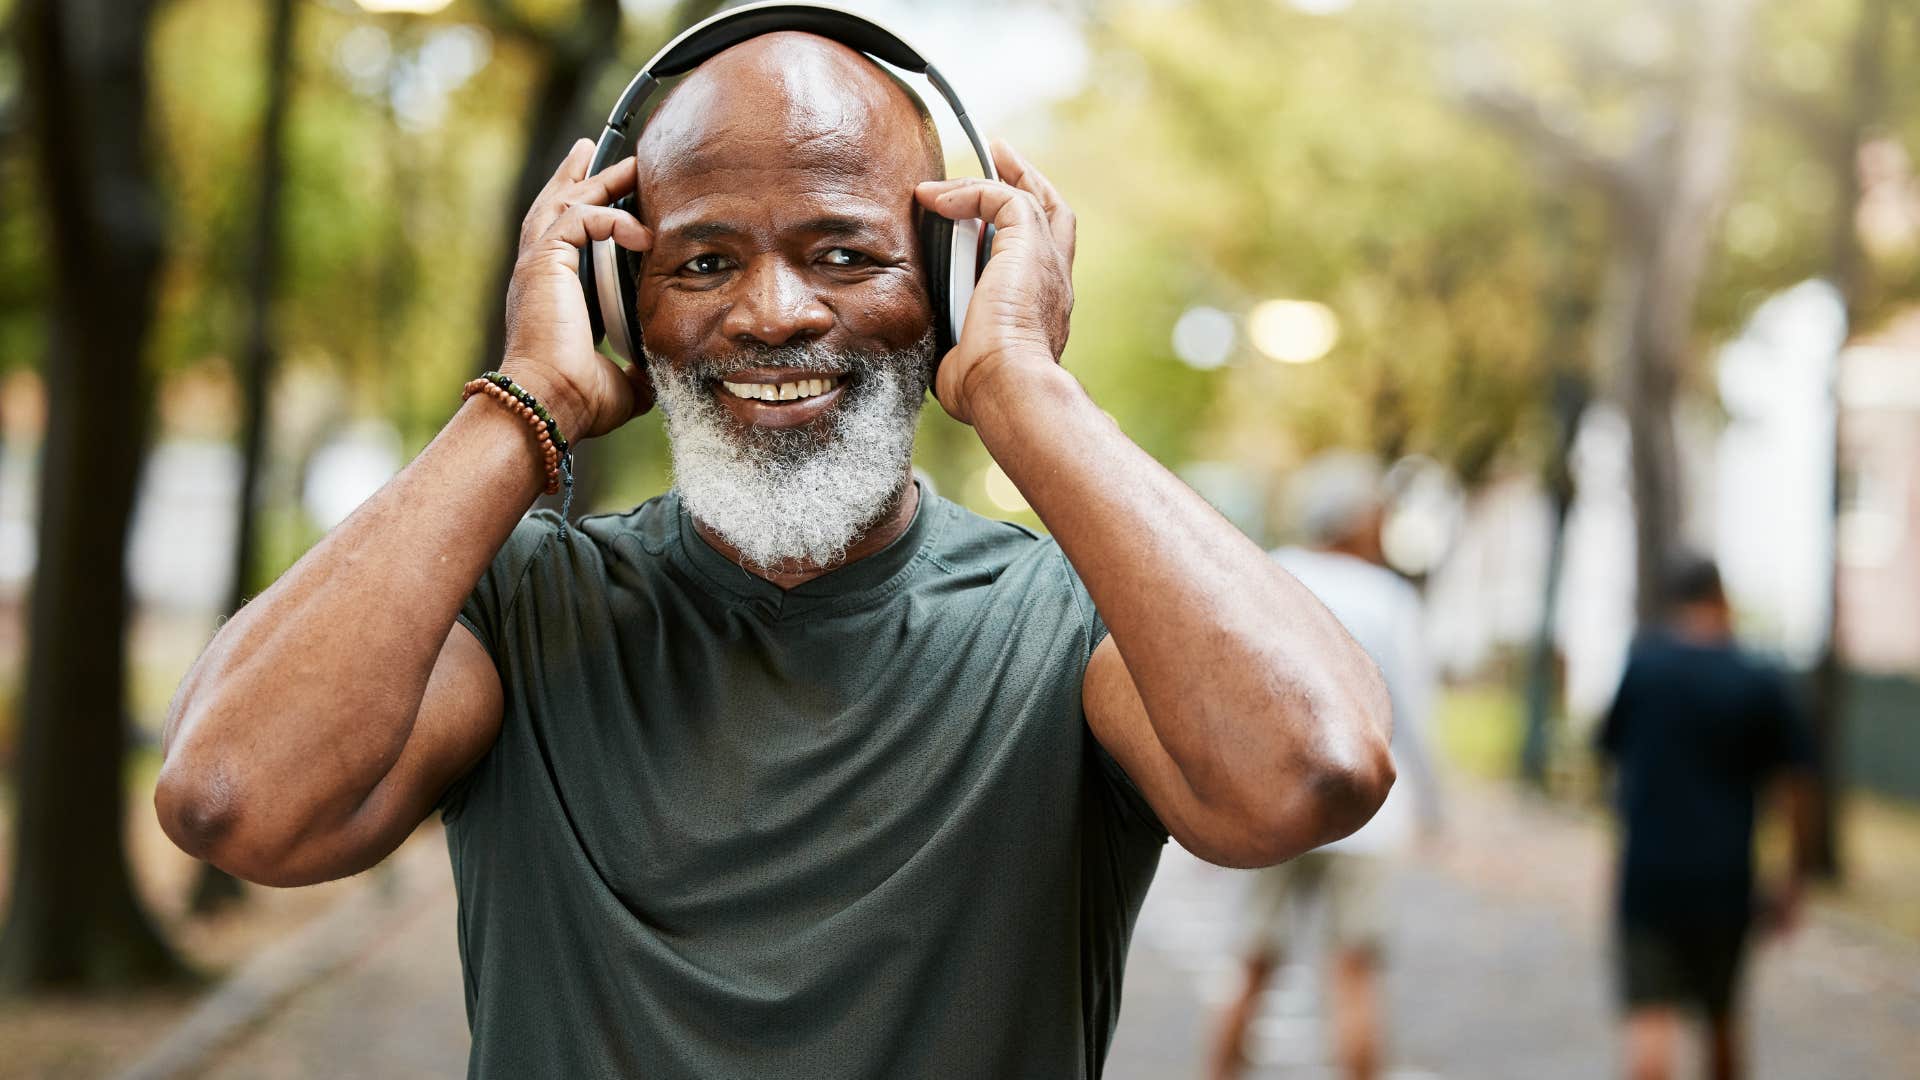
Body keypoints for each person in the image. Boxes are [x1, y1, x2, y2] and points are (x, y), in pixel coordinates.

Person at [152, 25, 1395, 1080]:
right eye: (702, 262)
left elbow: (1314, 770)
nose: (774, 313)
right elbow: (235, 802)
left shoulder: (1077, 625)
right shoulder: (518, 601)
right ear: (617, 302)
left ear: (955, 285)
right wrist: (528, 392)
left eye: (845, 253)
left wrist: (1025, 388)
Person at [1208, 453, 1444, 1080]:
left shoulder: (1271, 573)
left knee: (1254, 962)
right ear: (1355, 520)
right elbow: (1416, 714)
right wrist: (1436, 809)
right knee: (1356, 970)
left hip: (1276, 801)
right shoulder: (1390, 597)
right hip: (1368, 809)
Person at [1598, 555, 1815, 1080]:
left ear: (1678, 602)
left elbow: (1611, 757)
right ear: (1722, 600)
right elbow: (1797, 786)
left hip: (1648, 875)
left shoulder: (1644, 666)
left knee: (1650, 1018)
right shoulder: (1758, 677)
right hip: (1725, 878)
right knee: (1722, 1019)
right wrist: (1792, 877)